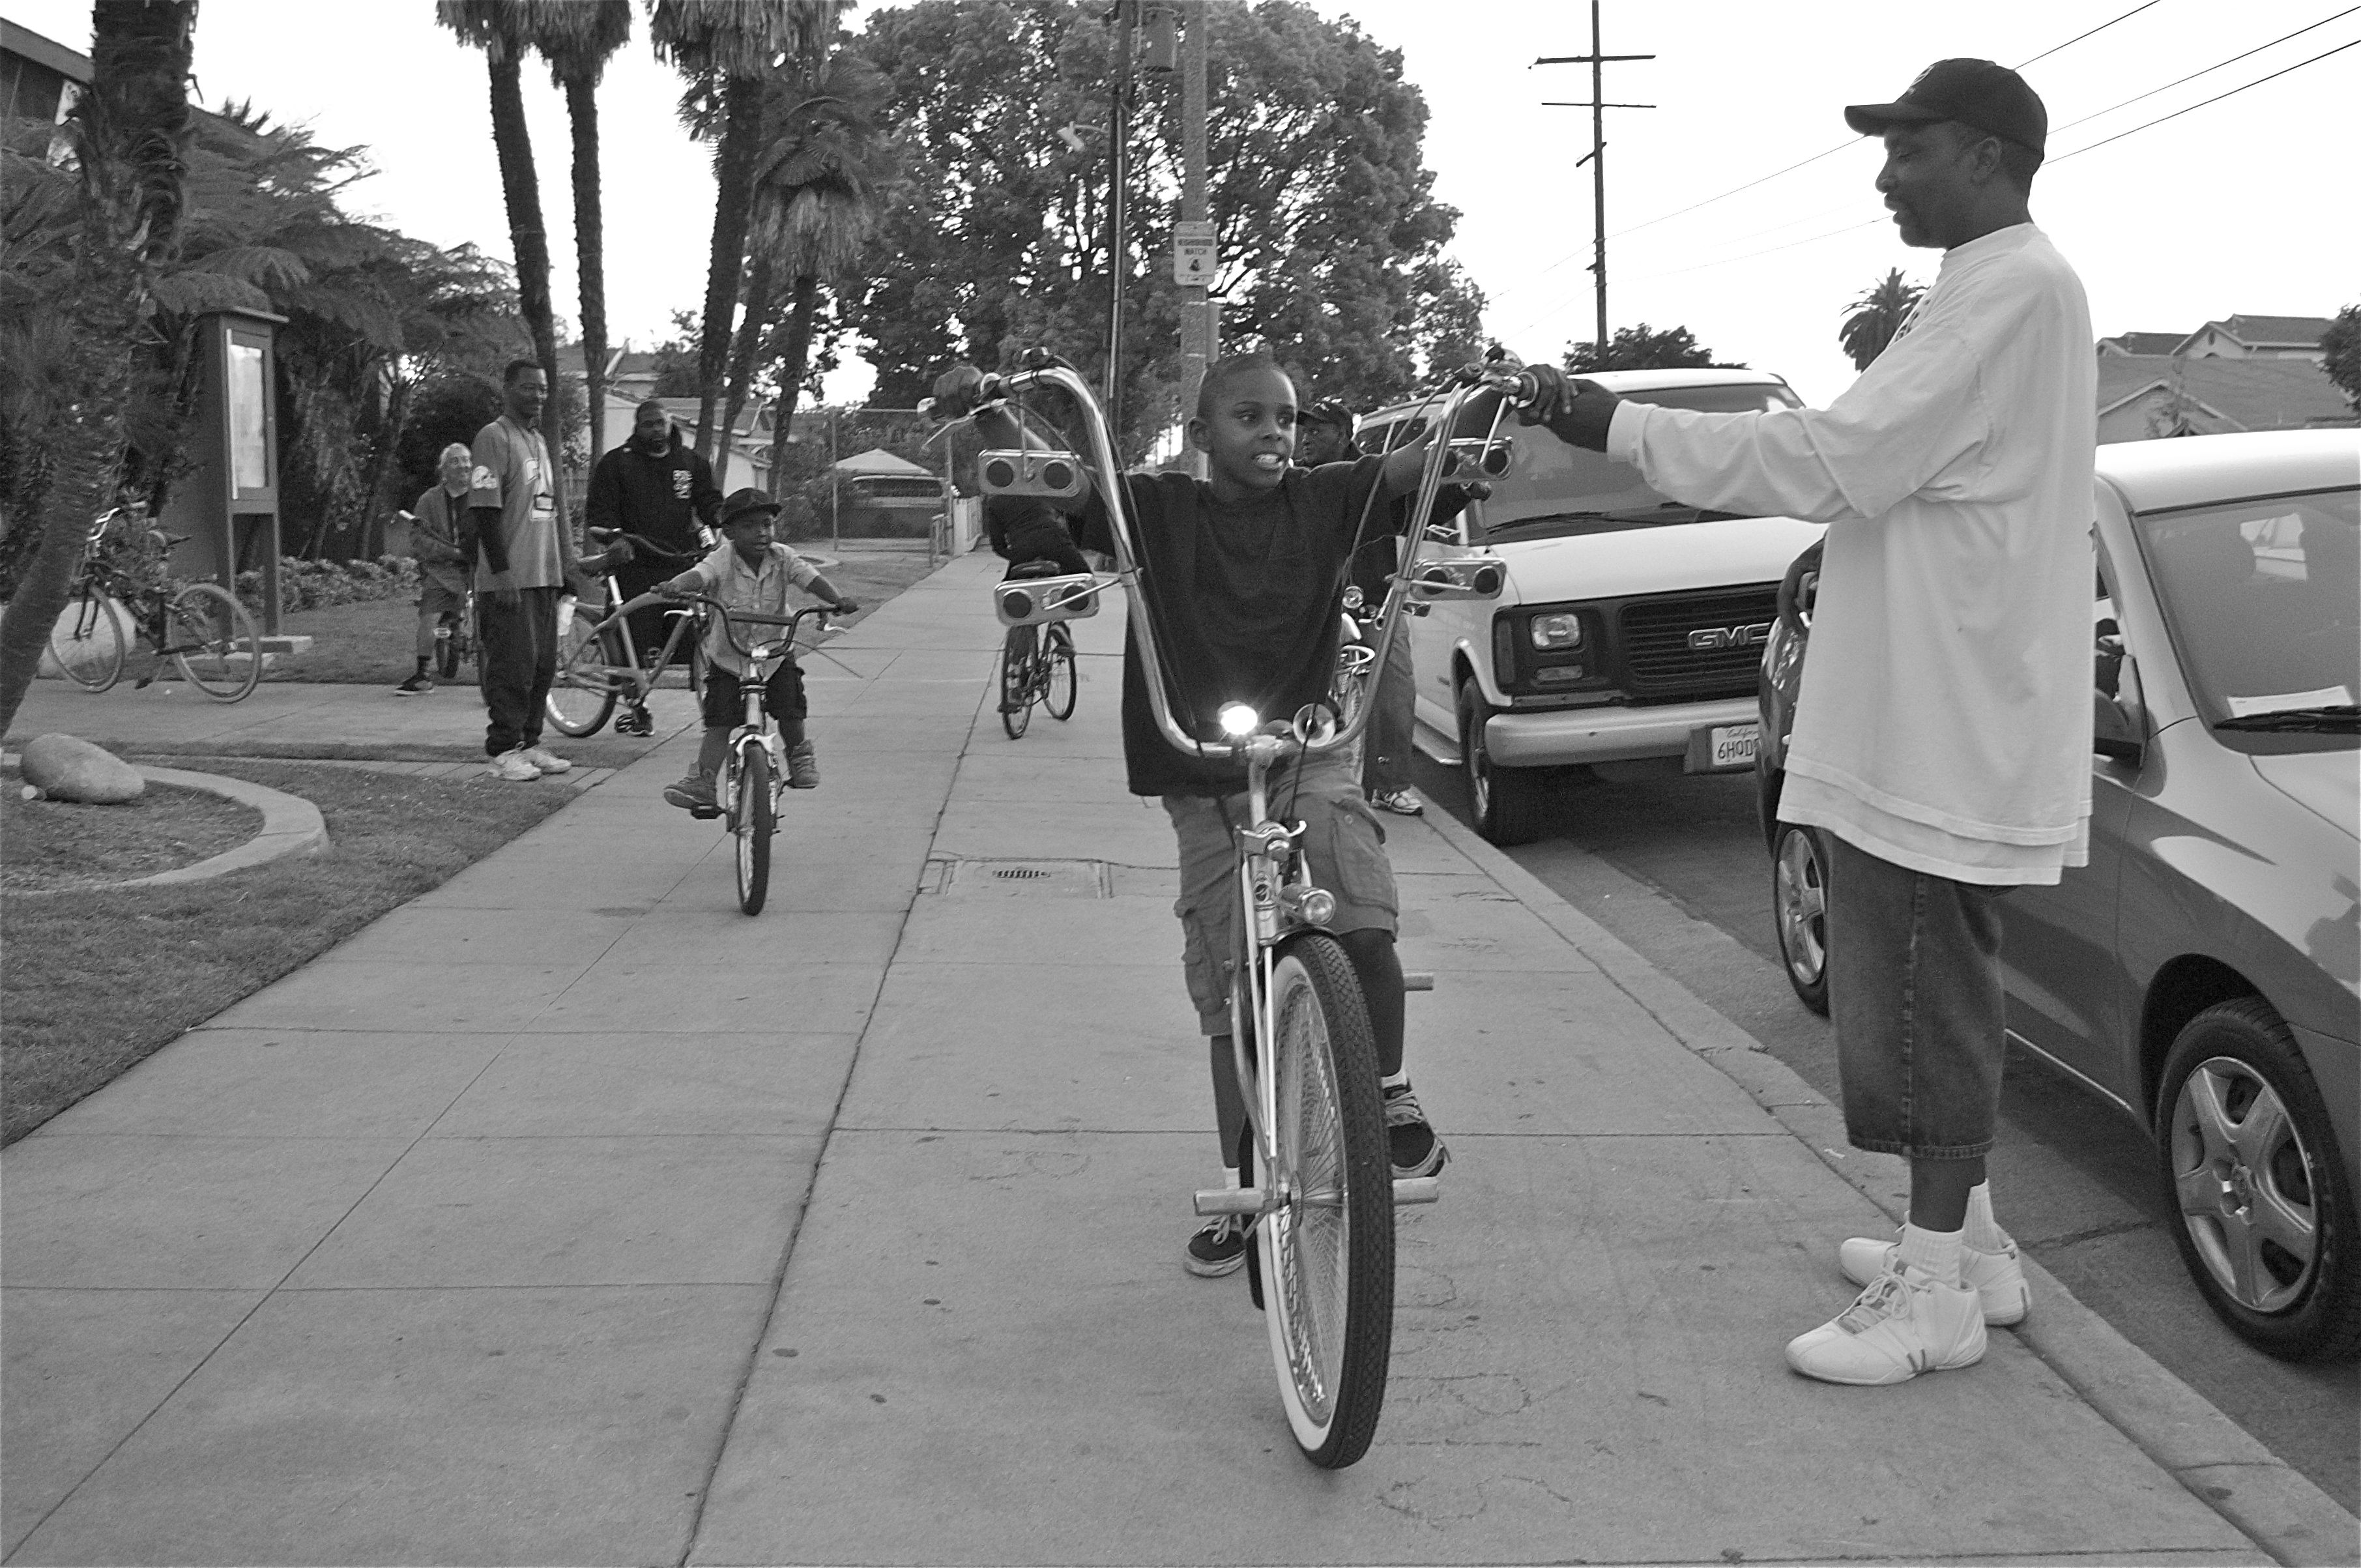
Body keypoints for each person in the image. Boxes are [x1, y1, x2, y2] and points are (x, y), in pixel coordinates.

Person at [1523, 59, 2091, 1386]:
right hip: (1939, 708)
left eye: (1909, 146)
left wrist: (1618, 423)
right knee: (1927, 978)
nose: (1884, 173)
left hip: (1931, 724)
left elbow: (1825, 460)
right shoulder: (1998, 290)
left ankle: (1931, 1297)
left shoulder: (2004, 294)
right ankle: (1974, 1253)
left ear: (1987, 156)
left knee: (1919, 990)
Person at [936, 352, 1563, 1279]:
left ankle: (1388, 1090)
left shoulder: (1326, 498)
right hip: (1197, 771)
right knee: (1231, 993)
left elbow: (1415, 466)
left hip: (1305, 750)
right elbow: (1059, 473)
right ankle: (1247, 1187)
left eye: (1285, 417)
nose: (1272, 433)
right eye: (1247, 417)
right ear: (1200, 433)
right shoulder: (1155, 509)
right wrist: (991, 409)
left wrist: (1488, 401)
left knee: (1360, 918)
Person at [605, 489, 858, 809]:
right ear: (729, 532)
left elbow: (810, 579)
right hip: (729, 656)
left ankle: (800, 759)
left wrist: (837, 600)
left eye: (767, 524)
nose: (761, 533)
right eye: (750, 526)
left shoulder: (784, 557)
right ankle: (703, 782)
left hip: (774, 653)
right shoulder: (722, 559)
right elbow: (700, 575)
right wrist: (676, 586)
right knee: (719, 719)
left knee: (790, 706)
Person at [469, 358, 598, 781]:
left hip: (544, 575)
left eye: (543, 389)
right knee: (512, 666)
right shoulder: (493, 438)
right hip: (510, 579)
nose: (538, 396)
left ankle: (530, 741)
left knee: (542, 667)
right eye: (528, 388)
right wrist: (501, 571)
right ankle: (503, 750)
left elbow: (547, 511)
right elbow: (484, 511)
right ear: (507, 390)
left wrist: (563, 570)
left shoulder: (539, 441)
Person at [1300, 400, 1423, 817]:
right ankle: (1298, 777)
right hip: (1314, 605)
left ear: (1343, 434)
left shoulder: (1375, 477)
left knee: (1393, 690)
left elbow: (1420, 506)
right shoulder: (1296, 479)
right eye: (1304, 430)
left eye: (1317, 430)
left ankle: (1389, 786)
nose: (1306, 438)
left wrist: (1462, 490)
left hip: (1375, 601)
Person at [585, 399, 723, 666]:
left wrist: (721, 517)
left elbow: (708, 501)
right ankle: (630, 691)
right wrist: (615, 538)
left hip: (681, 567)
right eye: (648, 425)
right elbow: (600, 513)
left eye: (661, 423)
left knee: (687, 650)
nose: (656, 430)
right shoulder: (616, 463)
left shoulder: (692, 463)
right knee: (633, 653)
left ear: (670, 424)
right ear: (637, 428)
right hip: (635, 569)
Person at [396, 443, 476, 695]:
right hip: (441, 569)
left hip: (477, 567)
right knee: (430, 615)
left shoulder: (481, 496)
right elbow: (419, 538)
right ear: (444, 470)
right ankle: (422, 674)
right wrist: (451, 553)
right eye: (456, 461)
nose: (464, 465)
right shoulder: (429, 500)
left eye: (466, 460)